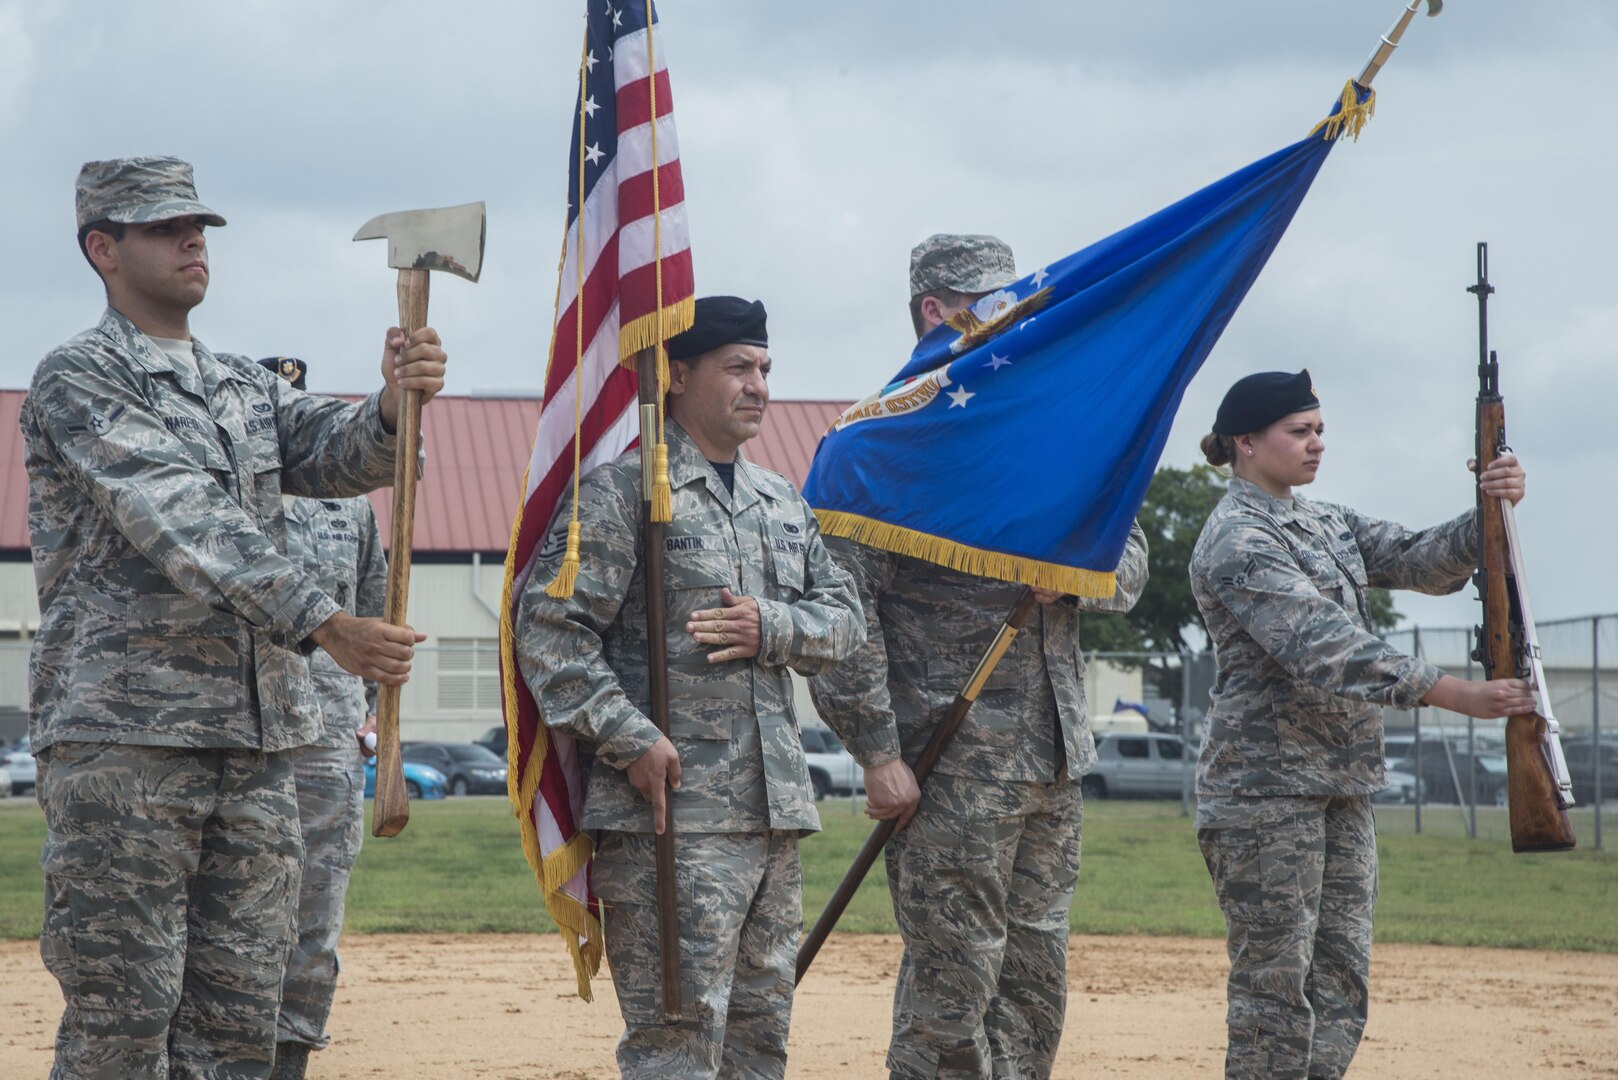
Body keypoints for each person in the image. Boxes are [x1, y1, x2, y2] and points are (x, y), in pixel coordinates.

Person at [23, 156, 446, 1080]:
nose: (193, 241)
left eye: (200, 226)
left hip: (256, 750)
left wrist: (387, 403)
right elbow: (178, 513)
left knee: (239, 1029)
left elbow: (337, 456)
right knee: (122, 1024)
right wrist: (325, 621)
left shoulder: (241, 385)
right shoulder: (78, 377)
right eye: (163, 227)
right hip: (127, 744)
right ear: (103, 248)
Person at [808, 233, 1151, 1080]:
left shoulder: (1053, 435)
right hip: (947, 761)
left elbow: (1131, 563)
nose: (1018, 316)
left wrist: (1071, 578)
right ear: (939, 310)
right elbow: (844, 627)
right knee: (953, 982)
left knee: (1035, 980)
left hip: (1053, 755)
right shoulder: (880, 445)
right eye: (995, 302)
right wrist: (878, 756)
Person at [515, 296, 865, 1079]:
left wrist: (770, 627)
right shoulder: (624, 497)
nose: (760, 386)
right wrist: (629, 736)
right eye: (738, 366)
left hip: (774, 816)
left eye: (765, 367)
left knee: (757, 1046)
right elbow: (547, 629)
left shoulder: (780, 500)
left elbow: (845, 619)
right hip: (670, 819)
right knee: (676, 1047)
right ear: (675, 375)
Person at [1189, 369, 1533, 1080]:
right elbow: (1319, 643)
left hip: (1341, 782)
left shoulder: (1323, 520)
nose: (1317, 444)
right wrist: (1447, 691)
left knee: (1341, 978)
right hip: (1264, 795)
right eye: (1300, 431)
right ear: (1245, 443)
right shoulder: (1236, 538)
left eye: (1320, 430)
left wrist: (1489, 507)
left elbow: (1420, 560)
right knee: (1275, 988)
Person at [255, 356, 389, 1080]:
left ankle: (290, 1057)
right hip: (244, 724)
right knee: (232, 910)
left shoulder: (354, 503)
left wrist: (372, 717)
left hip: (330, 736)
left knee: (316, 912)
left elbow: (374, 606)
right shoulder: (225, 495)